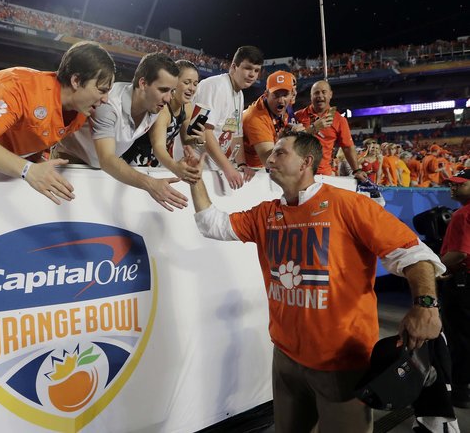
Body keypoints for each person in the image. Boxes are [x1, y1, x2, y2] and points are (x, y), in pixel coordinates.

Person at [187, 131, 444, 432]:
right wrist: (195, 181)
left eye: (281, 153)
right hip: (285, 358)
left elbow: (413, 253)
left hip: (342, 363)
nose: (270, 158)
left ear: (306, 162)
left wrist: (426, 305)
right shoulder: (267, 214)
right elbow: (212, 225)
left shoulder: (348, 205)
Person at [0, 40, 115, 205]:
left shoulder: (81, 110)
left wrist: (36, 165)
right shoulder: (21, 86)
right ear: (76, 80)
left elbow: (38, 136)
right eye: (101, 90)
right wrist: (29, 170)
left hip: (7, 157)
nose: (106, 99)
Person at [55, 52, 191, 212]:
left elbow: (158, 146)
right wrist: (150, 184)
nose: (168, 98)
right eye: (163, 90)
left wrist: (176, 167)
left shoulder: (155, 107)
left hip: (105, 172)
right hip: (71, 166)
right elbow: (107, 159)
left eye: (172, 91)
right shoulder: (108, 105)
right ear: (143, 83)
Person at [121, 59, 202, 184]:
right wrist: (176, 167)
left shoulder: (187, 107)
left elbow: (186, 140)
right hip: (134, 163)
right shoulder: (162, 109)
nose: (192, 88)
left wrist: (198, 139)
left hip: (157, 165)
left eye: (195, 84)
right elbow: (158, 147)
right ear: (174, 83)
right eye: (187, 82)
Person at [195, 45, 263, 189]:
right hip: (193, 164)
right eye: (247, 68)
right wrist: (228, 168)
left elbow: (235, 134)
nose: (252, 74)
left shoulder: (239, 93)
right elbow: (204, 131)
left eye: (256, 70)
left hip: (213, 167)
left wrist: (242, 164)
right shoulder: (214, 86)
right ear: (233, 67)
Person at [439, 168, 470, 408]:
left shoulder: (462, 215)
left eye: (459, 184)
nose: (453, 188)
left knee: (459, 340)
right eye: (452, 184)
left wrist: (433, 269)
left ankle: (460, 392)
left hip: (461, 284)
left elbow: (459, 252)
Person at [295, 80, 367, 181]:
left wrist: (356, 170)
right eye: (316, 93)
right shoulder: (298, 116)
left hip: (324, 175)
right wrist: (313, 128)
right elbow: (290, 142)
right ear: (311, 96)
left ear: (330, 94)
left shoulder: (339, 120)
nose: (320, 96)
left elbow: (347, 147)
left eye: (324, 92)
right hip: (298, 172)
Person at [242, 70, 297, 169]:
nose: (281, 100)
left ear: (292, 95)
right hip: (247, 169)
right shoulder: (255, 118)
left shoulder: (286, 105)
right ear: (266, 94)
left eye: (285, 95)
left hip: (262, 166)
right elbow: (269, 161)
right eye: (275, 95)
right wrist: (292, 139)